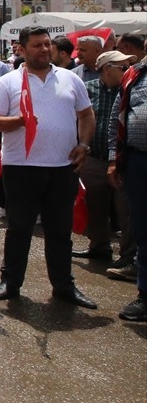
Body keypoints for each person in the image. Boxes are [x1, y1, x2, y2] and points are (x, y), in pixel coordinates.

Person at [0, 26, 98, 308]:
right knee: (19, 228)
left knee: (60, 231)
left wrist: (84, 146)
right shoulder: (9, 82)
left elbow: (86, 115)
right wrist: (21, 121)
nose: (45, 49)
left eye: (47, 44)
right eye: (37, 45)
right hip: (20, 167)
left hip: (62, 167)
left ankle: (63, 285)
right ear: (23, 49)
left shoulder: (70, 79)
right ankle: (10, 282)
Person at [74, 51, 134, 264]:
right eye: (123, 67)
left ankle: (128, 257)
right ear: (107, 68)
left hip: (123, 162)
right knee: (94, 208)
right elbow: (77, 119)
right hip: (94, 158)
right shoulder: (87, 90)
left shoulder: (131, 90)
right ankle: (98, 247)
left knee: (125, 210)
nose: (127, 71)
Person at [108, 48, 147, 321]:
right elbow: (116, 120)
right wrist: (114, 159)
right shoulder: (134, 75)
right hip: (138, 163)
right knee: (143, 230)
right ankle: (145, 296)